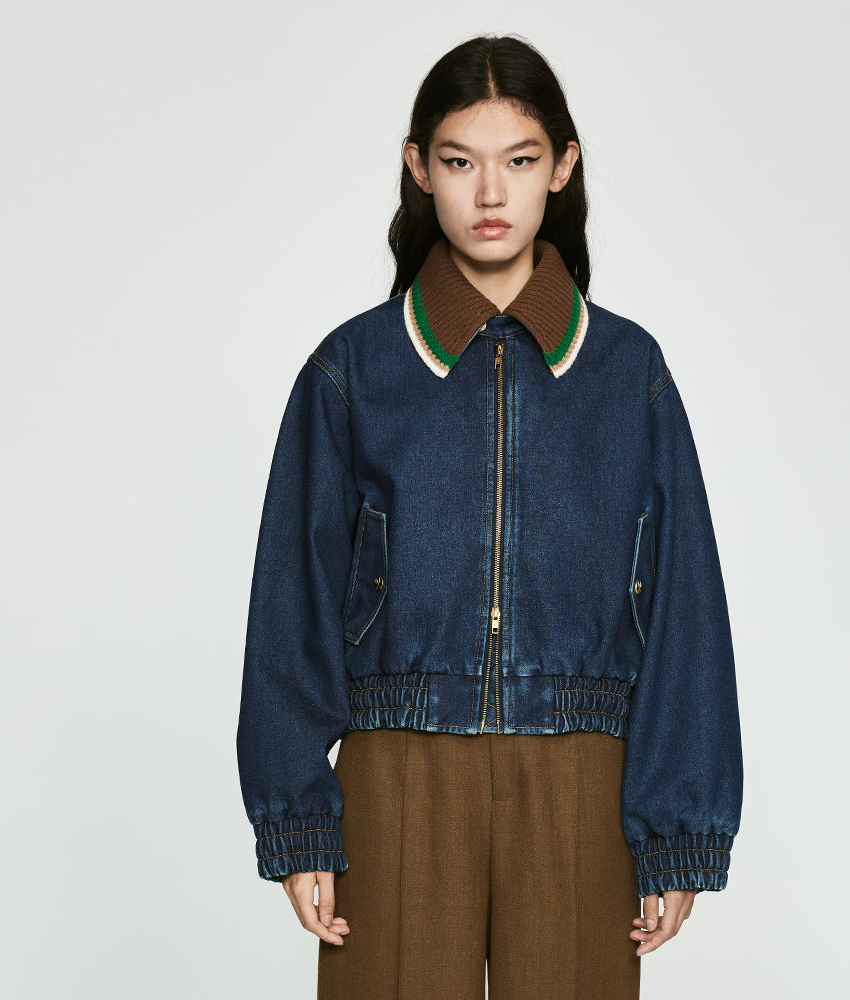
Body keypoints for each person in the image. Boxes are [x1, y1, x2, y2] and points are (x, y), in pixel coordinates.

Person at [236, 33, 743, 1000]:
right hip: (397, 777)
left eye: (519, 159)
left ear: (563, 166)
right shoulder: (354, 371)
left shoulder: (627, 374)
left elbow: (687, 607)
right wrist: (298, 817)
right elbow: (290, 601)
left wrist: (676, 829)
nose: (491, 193)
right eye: (461, 162)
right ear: (419, 168)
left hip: (580, 783)